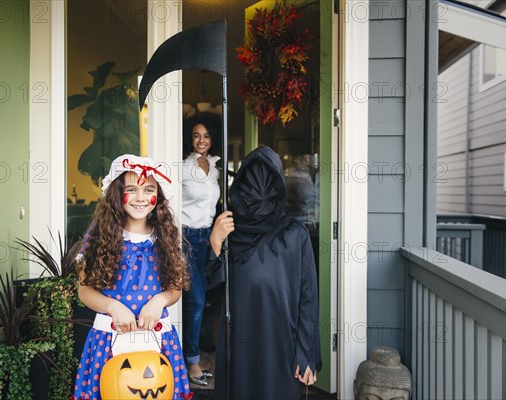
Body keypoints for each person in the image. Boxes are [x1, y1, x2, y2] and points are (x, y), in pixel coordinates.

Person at [73, 155, 191, 400]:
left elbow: (175, 289)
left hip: (158, 339)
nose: (140, 197)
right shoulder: (99, 236)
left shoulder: (165, 235)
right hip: (109, 340)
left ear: (157, 196)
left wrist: (159, 301)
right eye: (131, 189)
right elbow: (84, 292)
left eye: (148, 189)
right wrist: (112, 306)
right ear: (117, 194)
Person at [207, 146, 321, 400]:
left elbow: (308, 298)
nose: (258, 194)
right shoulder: (229, 230)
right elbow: (209, 287)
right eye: (252, 184)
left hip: (282, 341)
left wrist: (307, 353)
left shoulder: (295, 234)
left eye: (266, 185)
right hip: (239, 339)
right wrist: (215, 243)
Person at [181, 115, 221, 385]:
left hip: (208, 239)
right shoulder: (182, 168)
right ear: (190, 138)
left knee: (202, 300)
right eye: (196, 135)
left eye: (206, 136)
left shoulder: (215, 167)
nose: (201, 140)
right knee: (194, 301)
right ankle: (191, 363)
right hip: (185, 239)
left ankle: (188, 357)